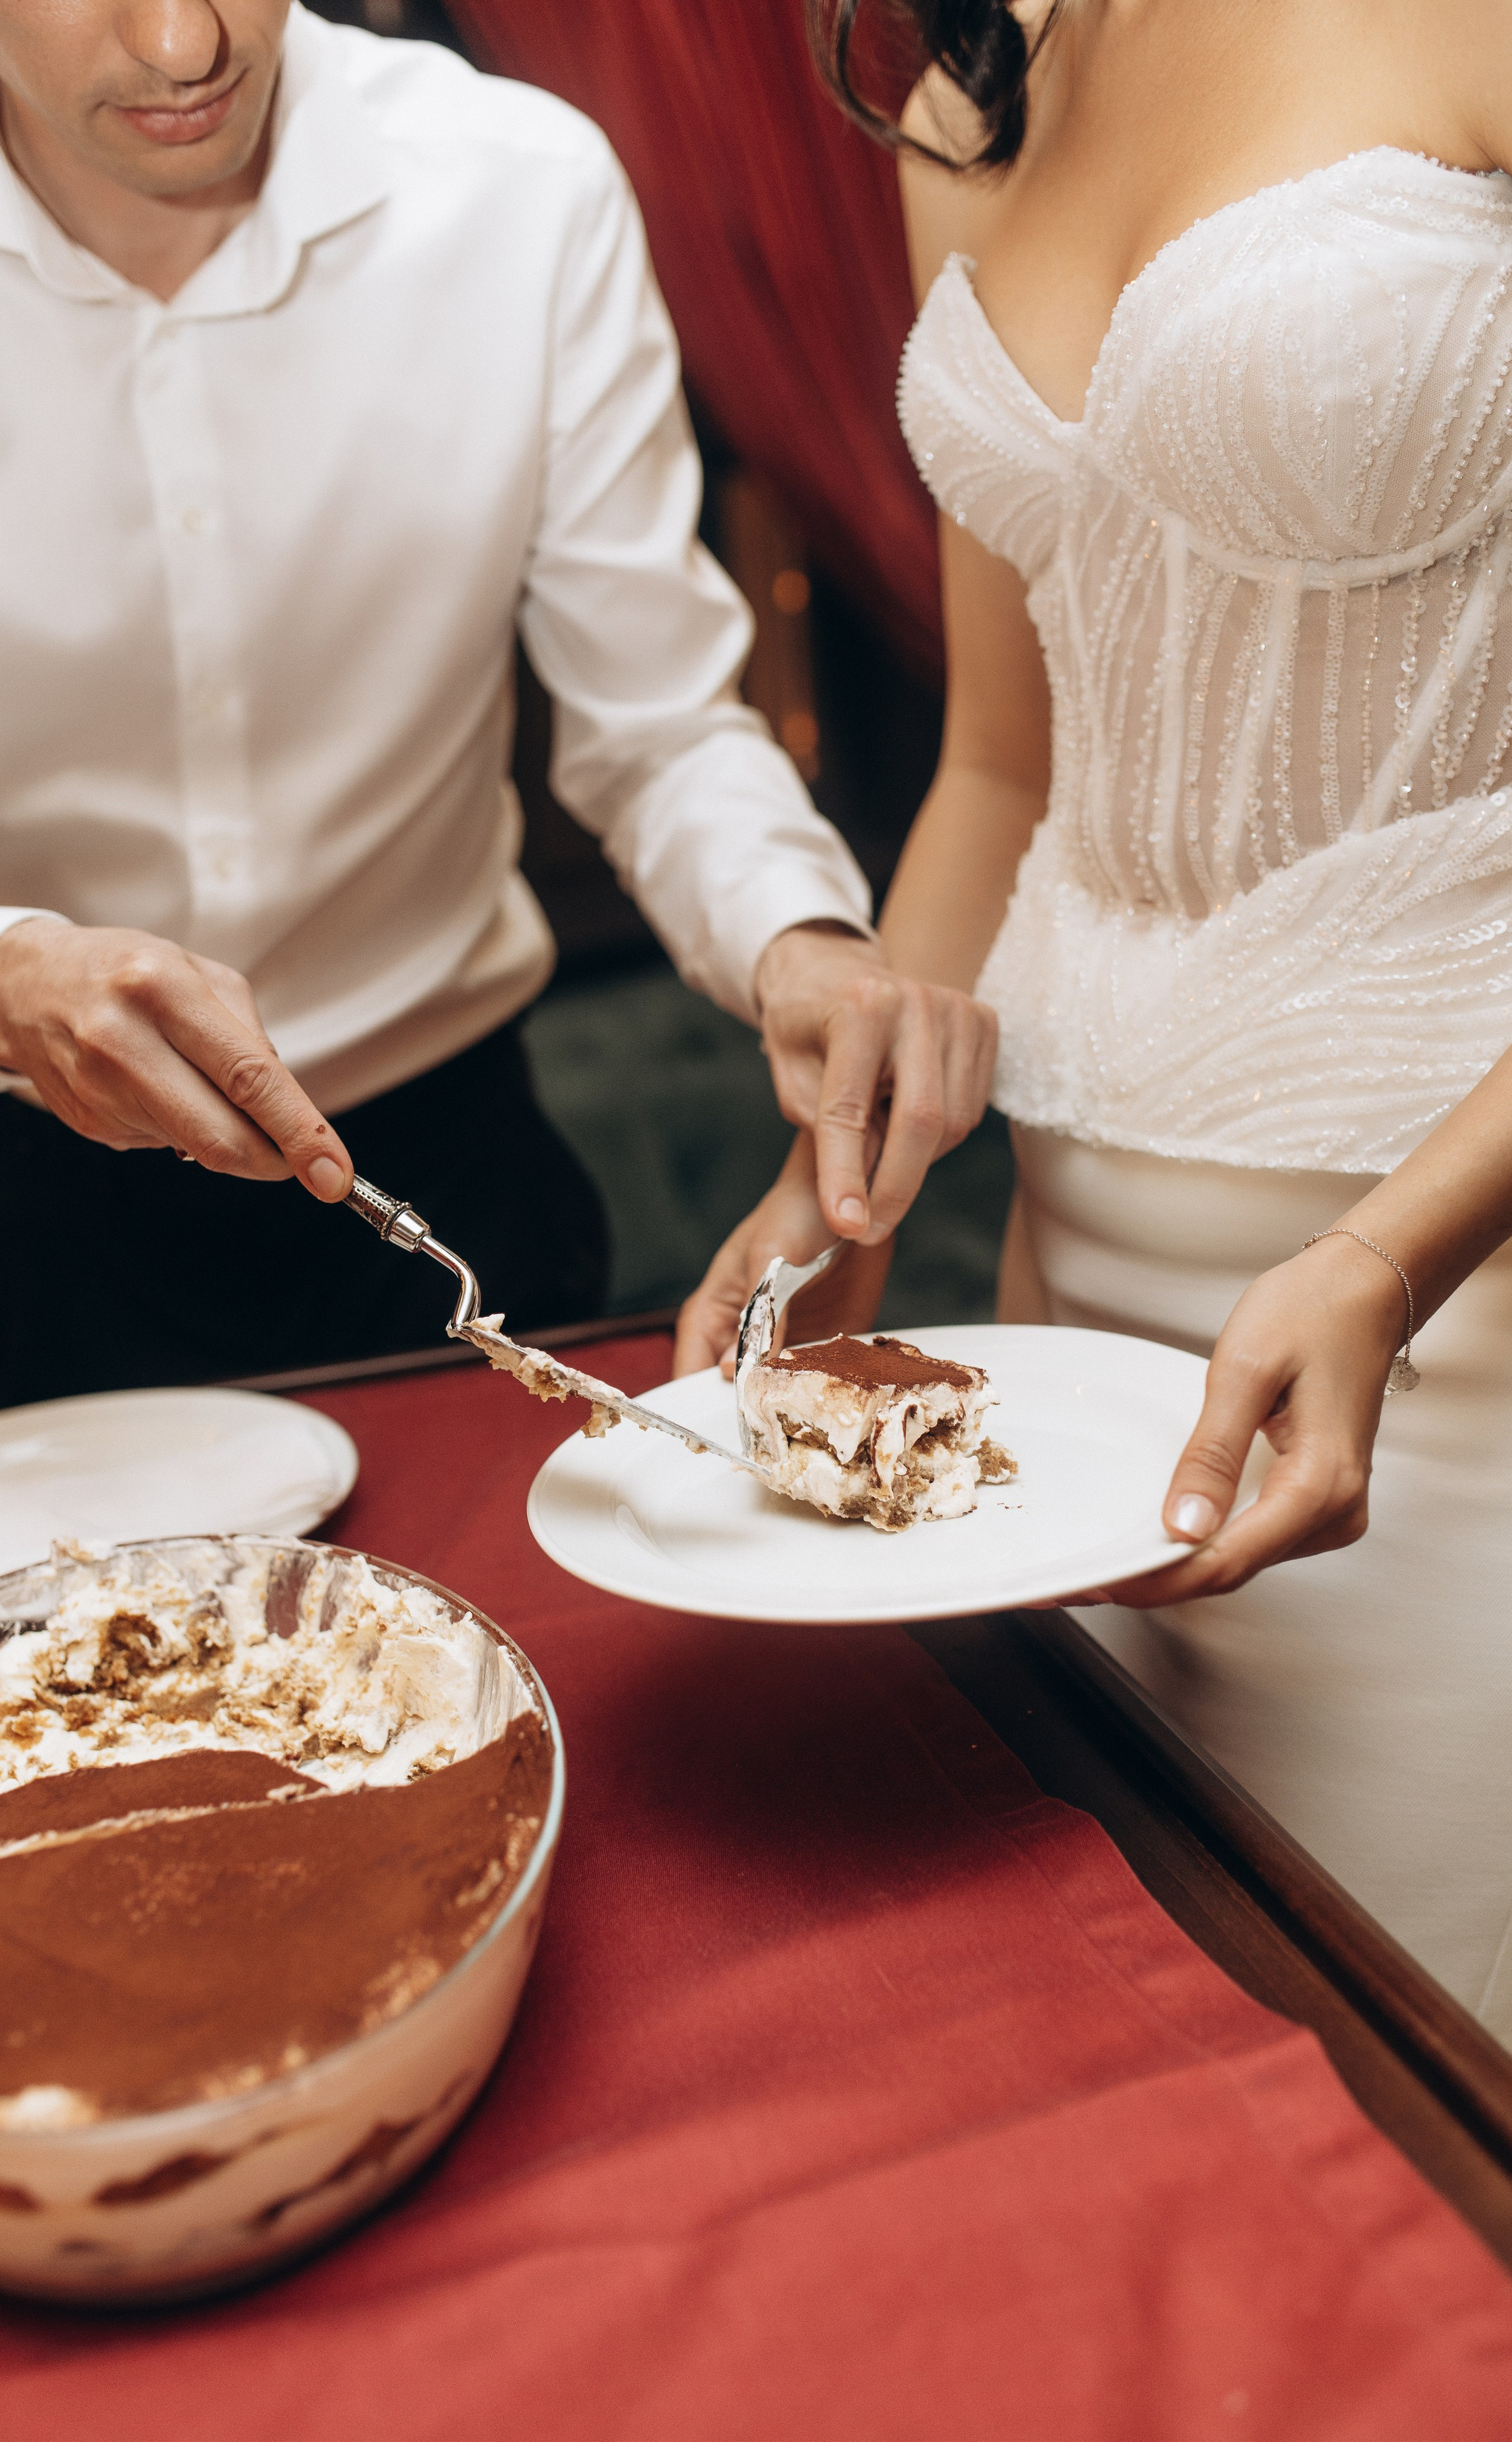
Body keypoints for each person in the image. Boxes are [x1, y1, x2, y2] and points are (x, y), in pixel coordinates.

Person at [679, 0, 1512, 2034]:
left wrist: (1391, 1257)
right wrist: (846, 1172)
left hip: (1461, 1294)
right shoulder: (966, 85)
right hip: (1085, 1323)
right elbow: (1000, 769)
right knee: (1199, 2090)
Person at [0, 0, 995, 1412]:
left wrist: (803, 945)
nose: (182, 45)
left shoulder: (520, 191)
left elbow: (658, 729)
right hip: (50, 1233)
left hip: (459, 1190)